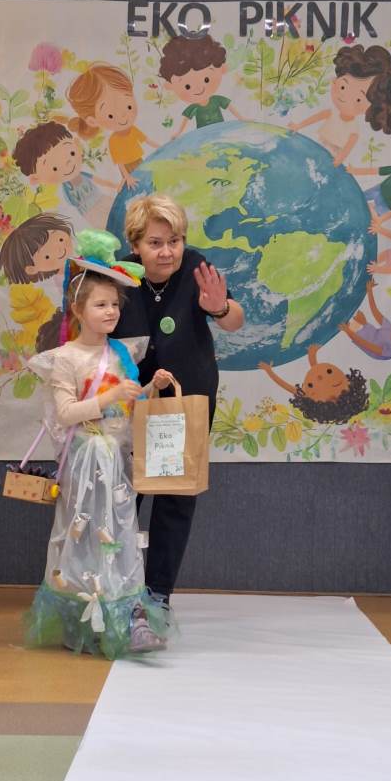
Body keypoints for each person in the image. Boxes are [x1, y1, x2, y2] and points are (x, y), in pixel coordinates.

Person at [25, 239, 172, 658]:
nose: (111, 312)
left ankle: (127, 619)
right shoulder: (66, 359)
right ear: (78, 310)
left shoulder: (121, 353)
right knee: (82, 534)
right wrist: (109, 397)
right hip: (84, 460)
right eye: (100, 305)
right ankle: (82, 621)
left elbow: (128, 405)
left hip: (115, 462)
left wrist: (150, 387)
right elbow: (65, 413)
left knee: (121, 532)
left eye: (114, 305)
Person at [111, 194, 244, 607]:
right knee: (120, 496)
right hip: (129, 400)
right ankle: (116, 589)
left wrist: (219, 308)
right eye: (155, 243)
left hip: (184, 402)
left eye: (175, 241)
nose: (167, 252)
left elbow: (235, 319)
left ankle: (157, 597)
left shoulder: (196, 266)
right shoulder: (118, 274)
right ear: (135, 245)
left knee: (175, 497)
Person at [288, 43, 391, 167]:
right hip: (317, 144)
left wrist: (338, 160)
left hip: (331, 155)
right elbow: (316, 118)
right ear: (335, 81)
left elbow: (347, 148)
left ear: (371, 109)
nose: (345, 97)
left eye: (359, 99)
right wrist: (298, 126)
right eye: (343, 87)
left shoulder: (353, 129)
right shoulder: (331, 113)